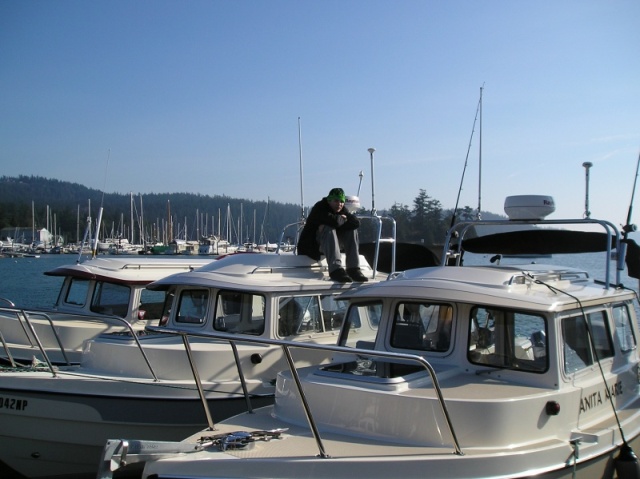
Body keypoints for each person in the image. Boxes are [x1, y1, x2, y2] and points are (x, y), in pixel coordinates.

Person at [297, 187, 368, 283]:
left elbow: (356, 223)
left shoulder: (342, 209)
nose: (339, 204)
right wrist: (342, 219)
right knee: (327, 227)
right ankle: (336, 269)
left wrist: (342, 220)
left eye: (342, 202)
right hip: (313, 247)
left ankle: (353, 269)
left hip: (329, 244)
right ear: (329, 200)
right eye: (336, 201)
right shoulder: (320, 208)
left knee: (352, 230)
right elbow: (333, 221)